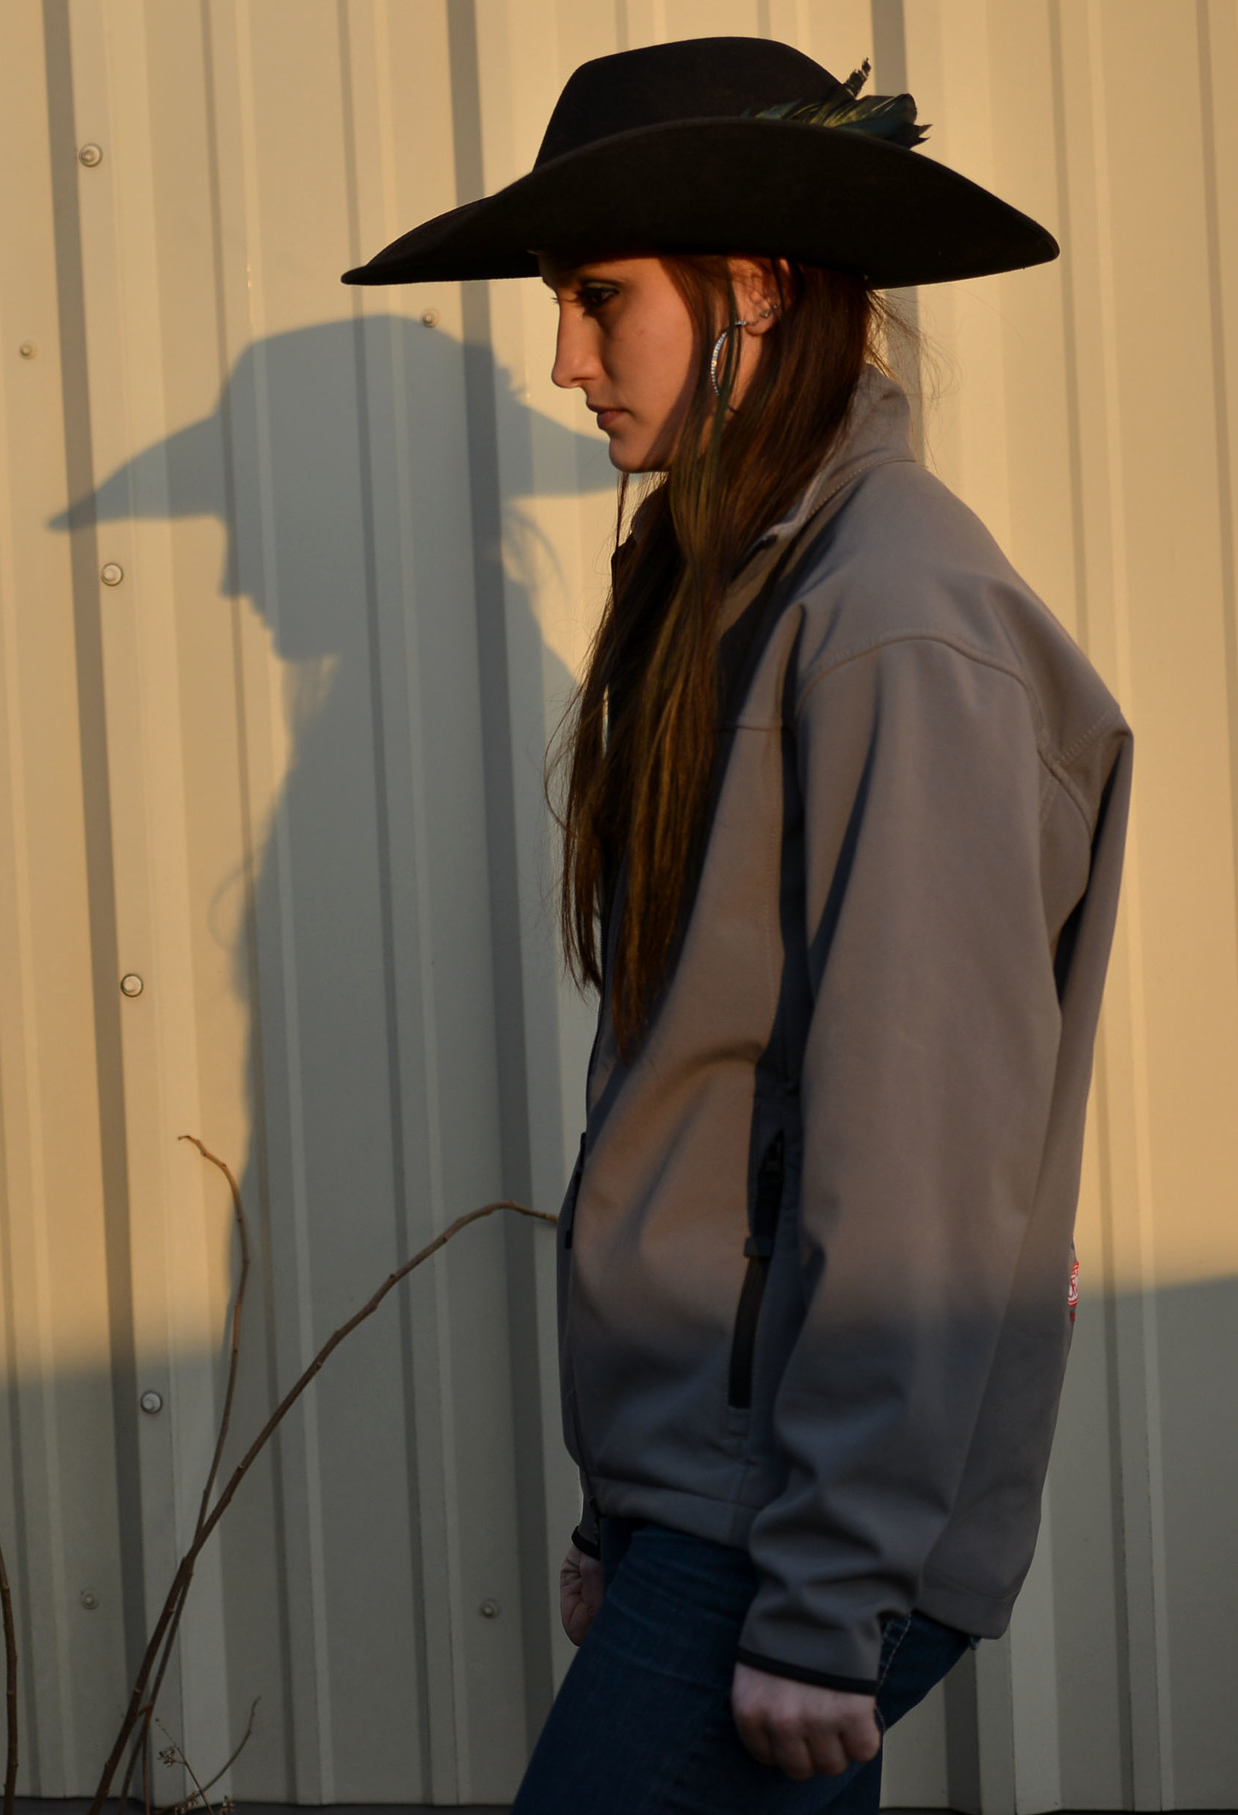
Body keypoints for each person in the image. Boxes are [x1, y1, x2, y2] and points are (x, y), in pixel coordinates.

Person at [346, 37, 1129, 1815]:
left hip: (790, 1514)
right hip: (722, 1494)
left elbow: (918, 1146)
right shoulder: (748, 591)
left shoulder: (888, 621)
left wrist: (819, 1585)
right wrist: (629, 1501)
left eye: (598, 299)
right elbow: (708, 1097)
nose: (559, 359)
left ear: (755, 288)